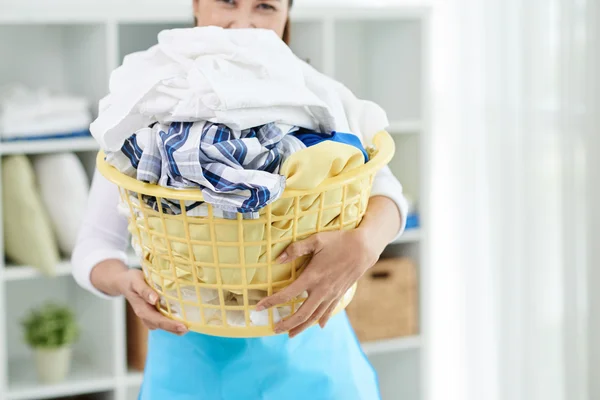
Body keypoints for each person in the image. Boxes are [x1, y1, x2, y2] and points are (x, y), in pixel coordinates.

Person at [72, 0, 408, 399]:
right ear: (196, 5)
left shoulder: (314, 96)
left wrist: (362, 244)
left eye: (265, 7)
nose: (242, 23)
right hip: (192, 365)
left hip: (314, 365)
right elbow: (93, 249)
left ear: (286, 17)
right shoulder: (149, 101)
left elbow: (387, 193)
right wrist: (126, 283)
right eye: (227, 1)